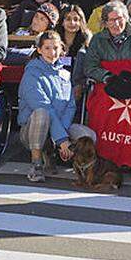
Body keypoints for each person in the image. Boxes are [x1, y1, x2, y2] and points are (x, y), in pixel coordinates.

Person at [18, 31, 97, 182]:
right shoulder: (31, 72)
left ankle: (75, 164)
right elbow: (43, 106)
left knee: (88, 136)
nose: (52, 52)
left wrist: (63, 136)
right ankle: (36, 164)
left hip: (59, 128)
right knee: (42, 113)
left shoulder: (65, 74)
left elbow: (70, 106)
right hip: (32, 130)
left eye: (55, 48)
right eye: (47, 48)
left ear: (61, 49)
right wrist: (62, 140)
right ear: (39, 50)